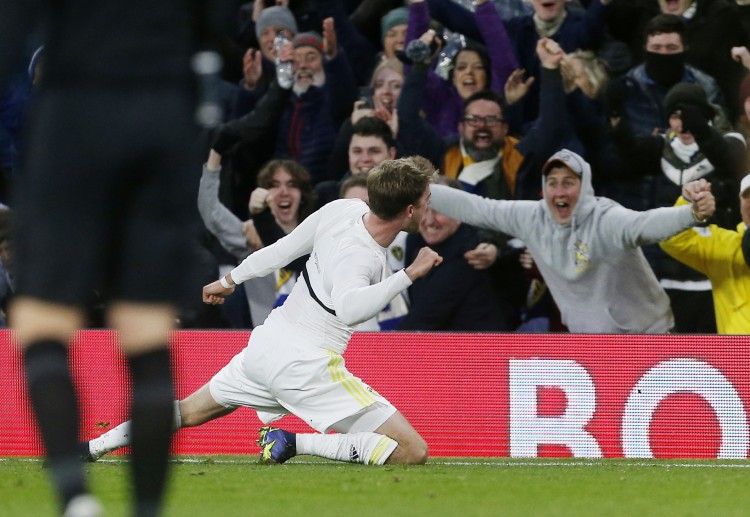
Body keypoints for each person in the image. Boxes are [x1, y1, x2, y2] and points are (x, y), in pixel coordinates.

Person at [81, 157, 441, 467]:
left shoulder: (343, 209)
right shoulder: (362, 256)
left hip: (266, 346)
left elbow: (281, 251)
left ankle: (92, 447)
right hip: (307, 365)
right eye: (426, 201)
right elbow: (349, 310)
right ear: (409, 210)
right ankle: (294, 443)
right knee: (411, 450)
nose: (429, 208)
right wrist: (408, 274)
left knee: (189, 411)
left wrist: (230, 279)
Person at [0, 1, 202, 516]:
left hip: (74, 115)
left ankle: (75, 497)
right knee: (147, 331)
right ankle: (148, 509)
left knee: (43, 322)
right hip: (162, 119)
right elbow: (218, 28)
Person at [429, 148, 716, 333]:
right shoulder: (532, 217)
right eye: (552, 183)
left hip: (648, 339)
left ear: (585, 186)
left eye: (568, 182)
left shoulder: (606, 218)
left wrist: (691, 214)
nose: (560, 192)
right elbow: (479, 208)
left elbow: (646, 224)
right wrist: (419, 189)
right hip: (587, 346)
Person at [610, 81, 745, 332]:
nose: (683, 124)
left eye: (691, 114)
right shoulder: (661, 149)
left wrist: (701, 128)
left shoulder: (730, 143)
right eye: (675, 116)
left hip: (717, 274)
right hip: (670, 275)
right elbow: (627, 153)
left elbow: (727, 157)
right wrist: (617, 123)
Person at [397, 176, 510, 331]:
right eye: (423, 209)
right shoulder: (414, 239)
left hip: (477, 349)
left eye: (440, 210)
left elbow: (424, 317)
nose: (429, 220)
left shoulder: (470, 253)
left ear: (460, 213)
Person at [658, 175, 750, 334]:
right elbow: (671, 240)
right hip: (736, 356)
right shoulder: (725, 246)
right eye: (747, 197)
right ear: (740, 205)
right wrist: (688, 207)